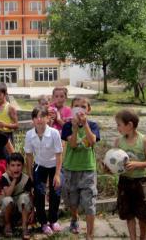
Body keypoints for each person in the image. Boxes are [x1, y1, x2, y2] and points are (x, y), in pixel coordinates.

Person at [61, 96, 100, 240]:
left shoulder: (93, 125)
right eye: (76, 106)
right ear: (71, 109)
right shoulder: (67, 126)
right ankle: (75, 218)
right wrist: (75, 127)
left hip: (88, 169)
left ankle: (90, 234)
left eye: (83, 106)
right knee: (73, 199)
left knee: (90, 203)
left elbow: (92, 141)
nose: (80, 109)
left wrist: (86, 125)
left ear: (88, 110)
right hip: (71, 168)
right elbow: (72, 145)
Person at [114, 109, 146, 240]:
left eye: (119, 124)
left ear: (130, 125)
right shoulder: (118, 142)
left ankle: (142, 237)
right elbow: (115, 162)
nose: (117, 128)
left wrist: (137, 164)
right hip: (125, 181)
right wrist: (108, 167)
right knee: (128, 213)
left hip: (141, 182)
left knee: (143, 214)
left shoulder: (144, 141)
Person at [24, 106, 63, 235]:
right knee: (39, 194)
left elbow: (59, 154)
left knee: (55, 193)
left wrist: (57, 174)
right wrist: (30, 172)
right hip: (39, 166)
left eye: (42, 116)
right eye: (36, 117)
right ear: (32, 120)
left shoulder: (54, 133)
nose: (39, 120)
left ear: (48, 118)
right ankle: (43, 222)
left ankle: (53, 220)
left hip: (54, 166)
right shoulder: (29, 134)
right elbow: (29, 155)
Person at [0, 152, 33, 240]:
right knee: (7, 199)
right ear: (8, 167)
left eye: (18, 165)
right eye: (12, 165)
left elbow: (30, 196)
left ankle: (24, 227)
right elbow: (8, 194)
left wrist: (33, 211)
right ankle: (7, 224)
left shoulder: (26, 179)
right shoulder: (4, 177)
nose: (16, 168)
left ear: (23, 166)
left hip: (21, 206)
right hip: (9, 206)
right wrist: (14, 179)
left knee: (24, 197)